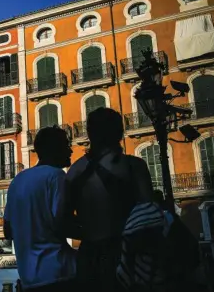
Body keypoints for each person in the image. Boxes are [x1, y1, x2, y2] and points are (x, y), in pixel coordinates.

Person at [64, 107, 154, 291]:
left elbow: (63, 221)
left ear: (90, 133)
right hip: (129, 257)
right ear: (120, 132)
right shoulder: (134, 167)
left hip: (90, 257)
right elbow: (148, 215)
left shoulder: (76, 171)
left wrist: (91, 233)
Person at [3, 126, 77, 292]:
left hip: (28, 279)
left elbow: (8, 231)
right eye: (66, 145)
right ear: (54, 149)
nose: (70, 150)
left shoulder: (18, 180)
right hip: (59, 273)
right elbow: (63, 224)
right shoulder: (56, 176)